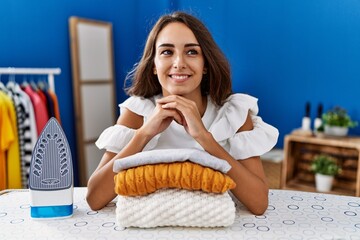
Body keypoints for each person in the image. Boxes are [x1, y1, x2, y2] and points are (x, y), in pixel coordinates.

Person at [86, 11, 278, 215]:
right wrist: (144, 134)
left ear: (205, 65)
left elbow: (259, 204)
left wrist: (205, 138)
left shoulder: (233, 113)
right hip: (151, 224)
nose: (179, 63)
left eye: (192, 52)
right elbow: (94, 198)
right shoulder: (137, 111)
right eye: (167, 52)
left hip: (217, 224)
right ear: (153, 65)